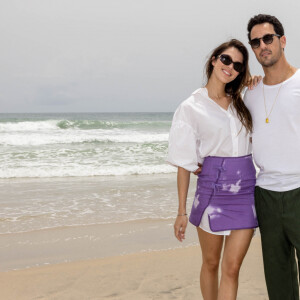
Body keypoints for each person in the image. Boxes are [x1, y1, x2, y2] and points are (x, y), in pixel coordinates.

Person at [166, 39, 258, 300]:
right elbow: (184, 163)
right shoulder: (191, 107)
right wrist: (181, 211)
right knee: (211, 263)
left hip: (246, 193)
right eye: (226, 59)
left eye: (238, 65)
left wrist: (256, 83)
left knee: (232, 268)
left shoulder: (243, 100)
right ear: (214, 60)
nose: (230, 67)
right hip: (212, 192)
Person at [244, 14, 300, 300]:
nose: (262, 45)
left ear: (283, 40)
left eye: (268, 38)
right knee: (278, 282)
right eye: (255, 42)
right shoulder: (250, 92)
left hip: (299, 190)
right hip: (265, 195)